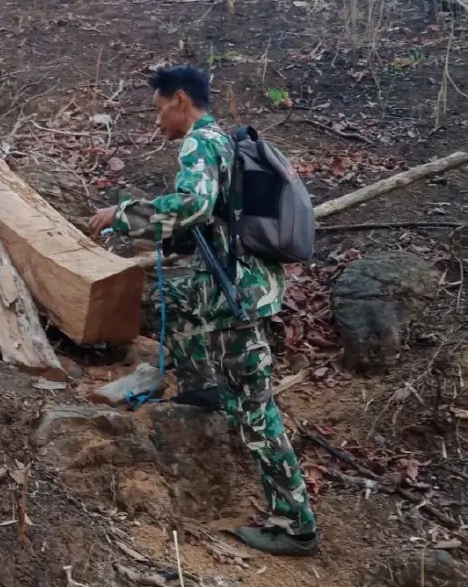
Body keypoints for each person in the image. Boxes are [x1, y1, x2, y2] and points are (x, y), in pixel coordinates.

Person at [89, 65, 319, 557]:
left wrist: (125, 213)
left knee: (258, 410)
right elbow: (210, 216)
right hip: (238, 289)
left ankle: (294, 522)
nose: (157, 124)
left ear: (179, 100)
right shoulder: (222, 142)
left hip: (236, 297)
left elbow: (193, 204)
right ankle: (204, 388)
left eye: (158, 112)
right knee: (171, 299)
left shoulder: (199, 143)